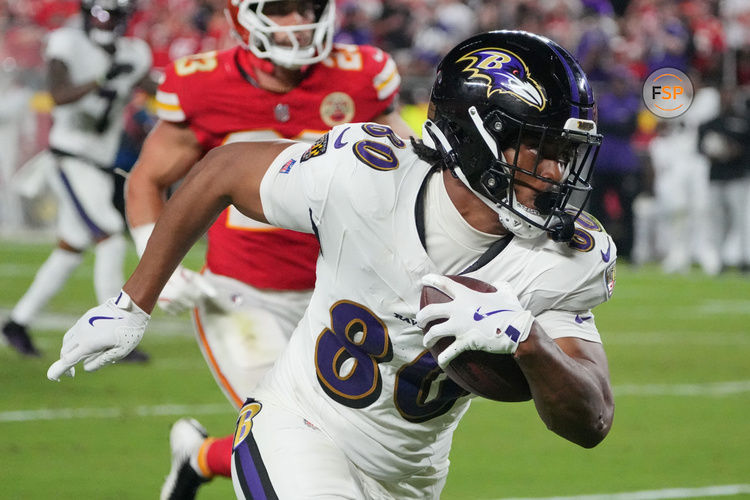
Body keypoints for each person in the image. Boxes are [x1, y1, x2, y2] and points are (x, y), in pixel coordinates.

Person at [48, 30, 616, 499]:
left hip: (411, 477)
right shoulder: (366, 173)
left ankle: (196, 458)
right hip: (300, 425)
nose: (557, 174)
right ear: (476, 136)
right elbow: (220, 169)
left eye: (568, 154)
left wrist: (530, 342)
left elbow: (591, 422)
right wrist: (131, 304)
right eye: (541, 148)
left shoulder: (565, 257)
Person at [123, 0, 411, 497]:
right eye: (280, 9)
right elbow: (146, 179)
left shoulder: (363, 75)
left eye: (307, 8)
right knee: (299, 434)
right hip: (241, 297)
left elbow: (409, 170)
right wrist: (158, 267)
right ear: (241, 16)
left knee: (355, 438)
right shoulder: (203, 83)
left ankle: (198, 456)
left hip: (340, 298)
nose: (299, 23)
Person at [2, 0, 155, 360]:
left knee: (70, 250)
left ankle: (17, 323)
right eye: (103, 14)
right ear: (87, 14)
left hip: (97, 165)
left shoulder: (134, 53)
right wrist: (102, 78)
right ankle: (113, 332)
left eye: (116, 16)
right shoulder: (68, 43)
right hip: (70, 158)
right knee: (111, 237)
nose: (109, 23)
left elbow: (157, 88)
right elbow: (58, 94)